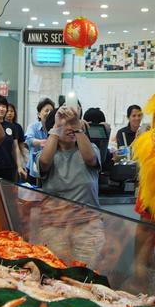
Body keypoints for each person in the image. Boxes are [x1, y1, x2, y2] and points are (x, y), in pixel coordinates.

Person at [35, 105, 104, 264]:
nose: (70, 128)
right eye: (64, 124)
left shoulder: (90, 148)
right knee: (55, 274)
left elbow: (90, 159)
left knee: (87, 277)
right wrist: (57, 127)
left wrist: (77, 126)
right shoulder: (46, 154)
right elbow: (44, 163)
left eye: (72, 123)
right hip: (54, 227)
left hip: (87, 227)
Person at [0, 95, 26, 183]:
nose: (1, 109)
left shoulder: (11, 126)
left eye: (3, 107)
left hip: (9, 166)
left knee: (9, 193)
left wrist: (19, 166)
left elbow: (15, 147)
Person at [25, 97, 55, 185]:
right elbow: (28, 140)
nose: (49, 113)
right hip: (33, 169)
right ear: (39, 114)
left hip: (50, 169)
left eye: (51, 111)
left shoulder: (56, 128)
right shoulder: (33, 126)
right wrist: (43, 142)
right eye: (46, 110)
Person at [6, 103, 28, 167]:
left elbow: (21, 144)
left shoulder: (18, 126)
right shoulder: (1, 126)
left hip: (17, 156)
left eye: (11, 111)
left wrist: (24, 157)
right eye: (7, 111)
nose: (9, 113)